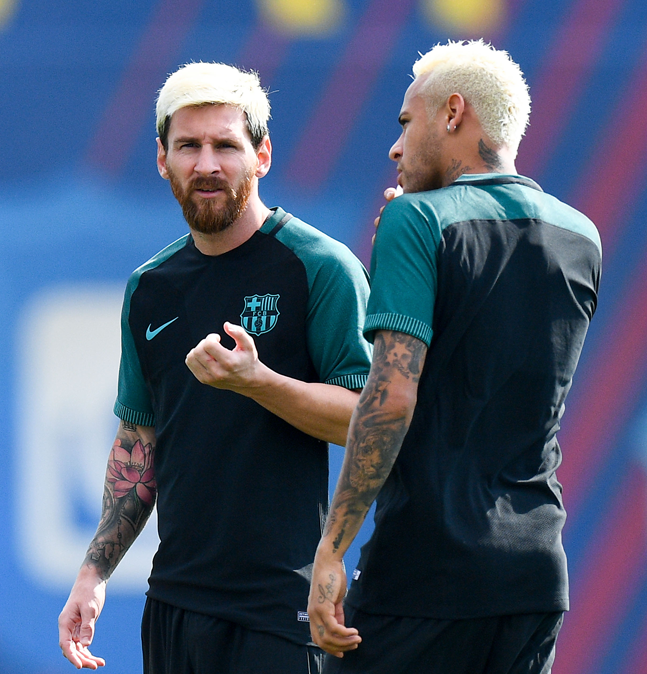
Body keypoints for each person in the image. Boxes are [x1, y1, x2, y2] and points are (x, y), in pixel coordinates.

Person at [57, 62, 372, 674]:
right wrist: (93, 574)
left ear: (262, 155)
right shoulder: (149, 288)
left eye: (226, 145)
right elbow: (139, 443)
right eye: (189, 146)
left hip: (282, 609)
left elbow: (370, 422)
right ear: (161, 159)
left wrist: (260, 383)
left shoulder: (320, 268)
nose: (207, 164)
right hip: (175, 607)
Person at [308, 40, 601, 674]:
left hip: (426, 572)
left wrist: (333, 550)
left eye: (405, 123)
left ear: (453, 113)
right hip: (535, 575)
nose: (395, 148)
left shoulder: (418, 222)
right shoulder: (582, 236)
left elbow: (391, 398)